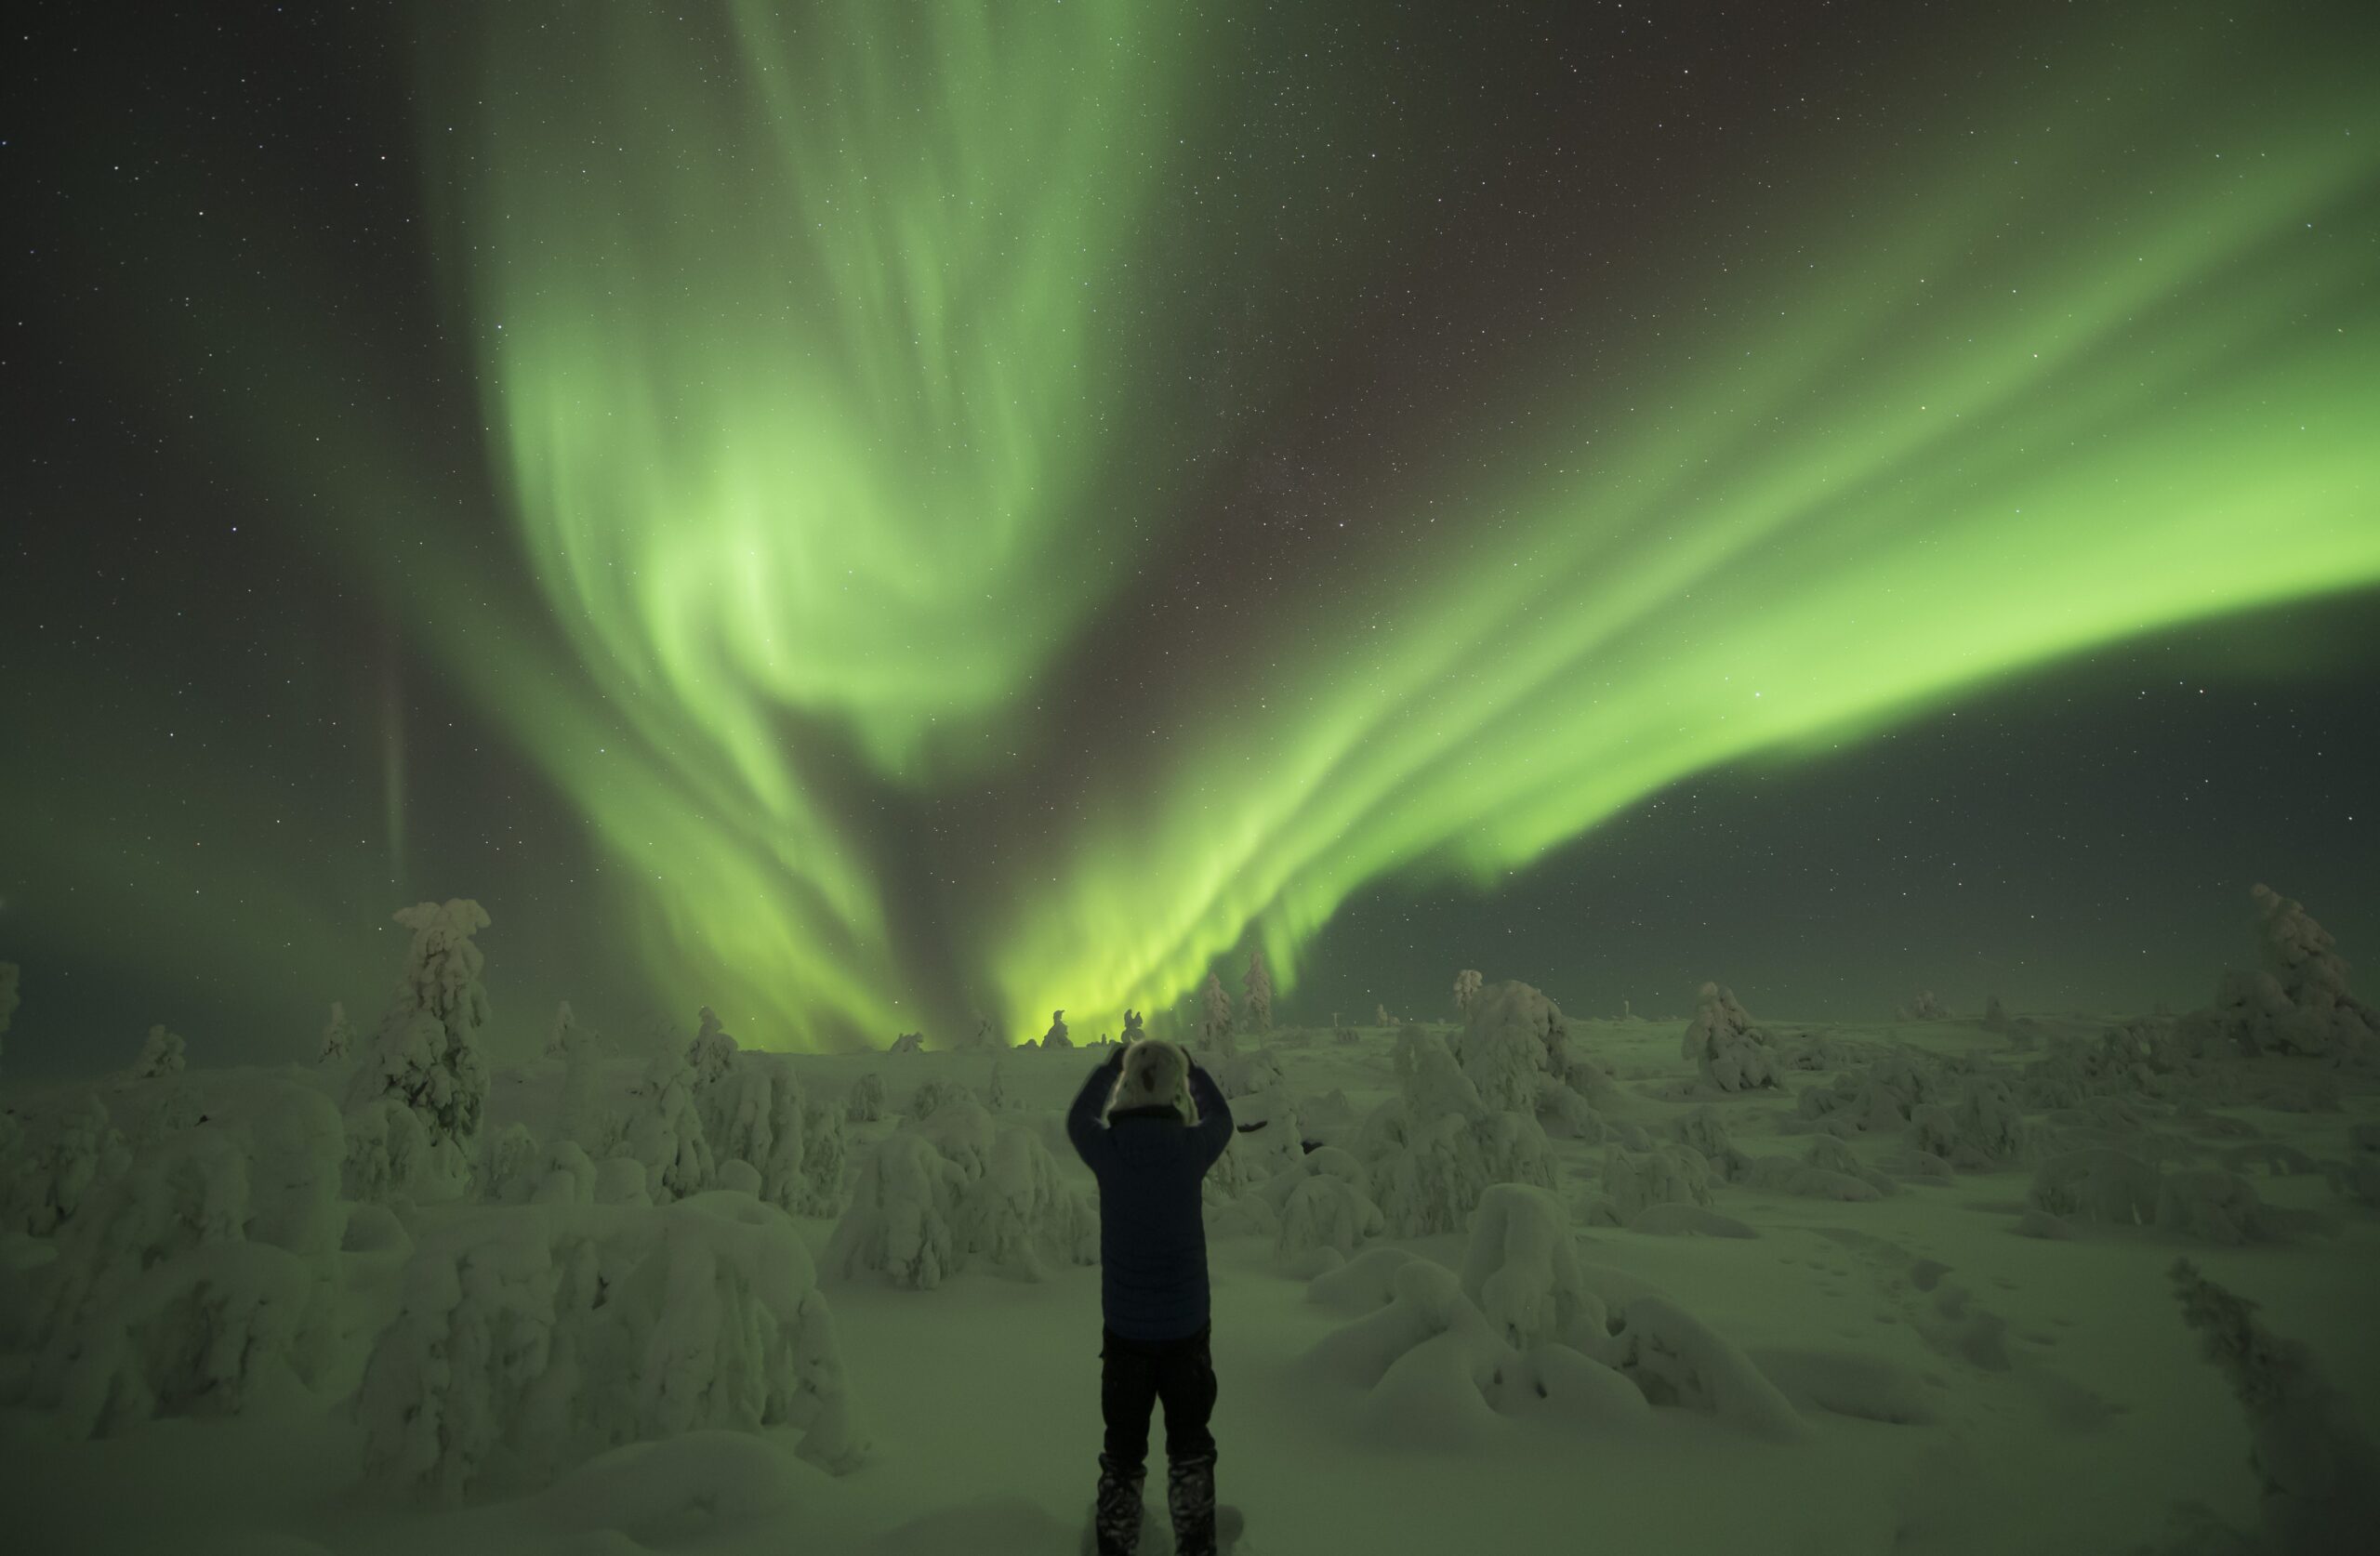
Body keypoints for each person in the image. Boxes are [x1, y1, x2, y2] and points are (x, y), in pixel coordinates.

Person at [1066, 1035, 1234, 1556]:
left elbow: (1078, 1121)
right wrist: (1198, 1070)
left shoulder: (1109, 1152)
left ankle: (1115, 1545)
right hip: (1187, 1332)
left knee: (1122, 1453)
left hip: (1126, 1335)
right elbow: (1222, 1122)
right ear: (1174, 1088)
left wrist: (1110, 1067)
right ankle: (1196, 1544)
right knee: (1190, 1449)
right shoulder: (1190, 1150)